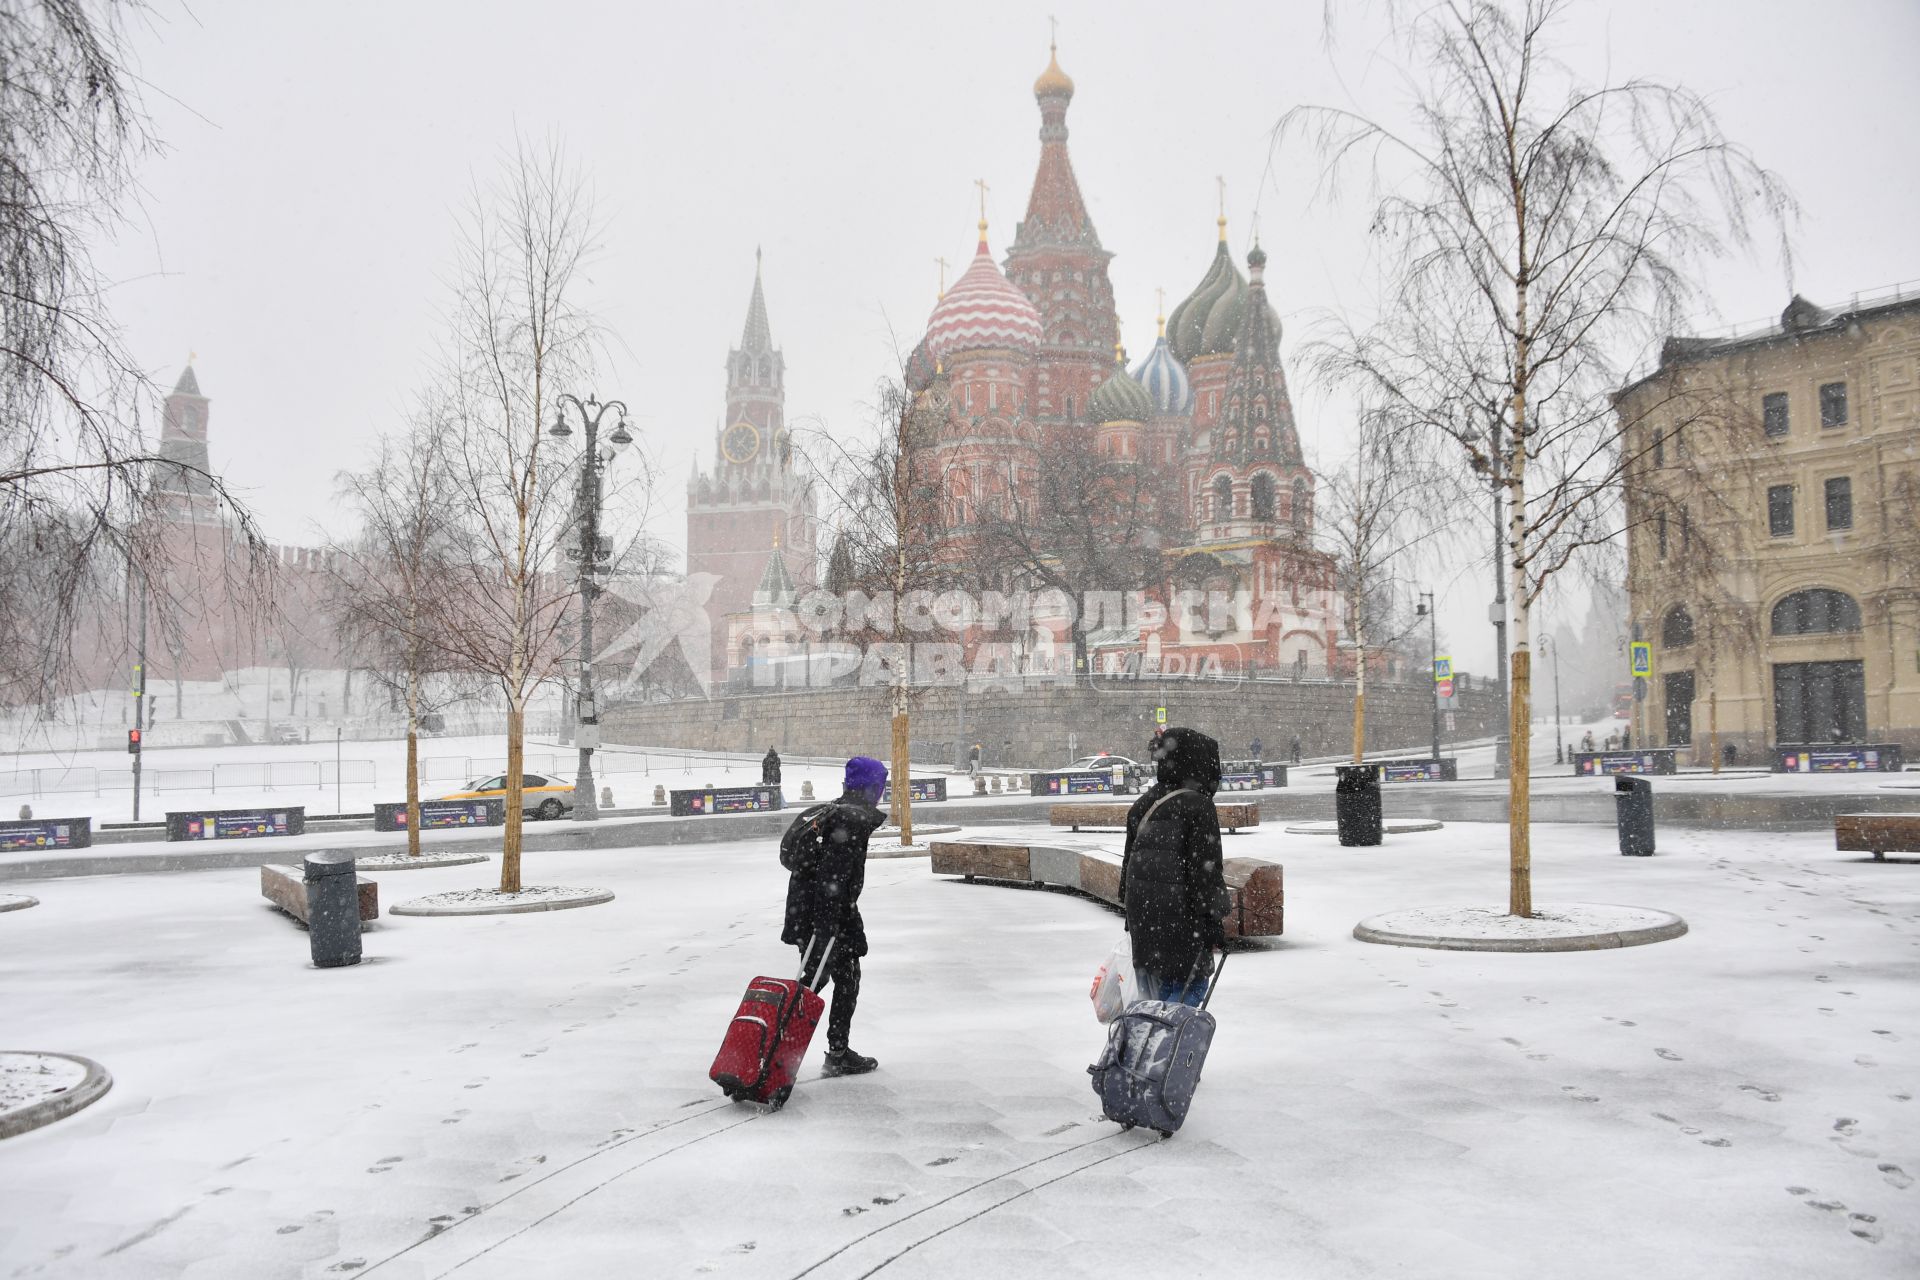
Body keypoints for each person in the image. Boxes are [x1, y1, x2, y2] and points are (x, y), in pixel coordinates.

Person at [781, 755, 888, 1077]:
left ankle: (831, 1051)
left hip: (813, 913)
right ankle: (776, 1055)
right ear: (870, 788)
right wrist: (827, 928)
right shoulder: (849, 820)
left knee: (840, 979)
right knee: (815, 984)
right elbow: (833, 878)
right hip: (825, 919)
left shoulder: (830, 811)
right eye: (879, 786)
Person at [1118, 726, 1231, 1007]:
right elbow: (1205, 872)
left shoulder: (1143, 804)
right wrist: (1214, 921)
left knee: (1152, 1005)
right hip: (1183, 924)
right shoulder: (1198, 807)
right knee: (1186, 996)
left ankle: (1143, 1048)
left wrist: (1134, 921)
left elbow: (1127, 870)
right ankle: (1163, 1048)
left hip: (1144, 924)